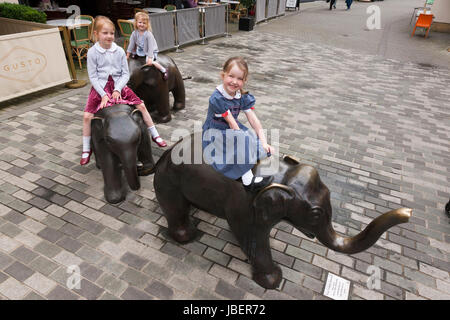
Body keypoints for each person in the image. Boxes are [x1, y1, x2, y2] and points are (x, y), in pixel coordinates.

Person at [81, 16, 167, 166]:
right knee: (87, 116)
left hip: (119, 85)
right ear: (96, 34)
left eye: (112, 33)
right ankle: (86, 148)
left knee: (141, 105)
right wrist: (103, 95)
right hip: (100, 87)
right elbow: (93, 77)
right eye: (105, 33)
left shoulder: (119, 51)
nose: (109, 36)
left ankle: (154, 134)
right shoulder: (92, 53)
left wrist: (117, 89)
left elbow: (125, 73)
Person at [202, 57, 274, 192]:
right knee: (242, 139)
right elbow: (232, 123)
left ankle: (256, 154)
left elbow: (254, 120)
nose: (235, 82)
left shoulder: (242, 96)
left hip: (231, 129)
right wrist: (242, 140)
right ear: (223, 75)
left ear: (244, 81)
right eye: (231, 76)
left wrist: (264, 142)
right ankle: (247, 180)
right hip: (216, 132)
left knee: (251, 136)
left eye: (240, 78)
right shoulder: (217, 98)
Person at [126, 12, 168, 80]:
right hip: (141, 49)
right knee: (133, 49)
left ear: (147, 24)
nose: (141, 24)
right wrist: (127, 55)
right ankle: (135, 55)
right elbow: (131, 44)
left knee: (150, 63)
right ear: (136, 22)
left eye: (144, 23)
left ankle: (164, 70)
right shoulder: (134, 33)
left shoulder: (148, 34)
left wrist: (150, 58)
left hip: (150, 51)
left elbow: (150, 47)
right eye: (140, 22)